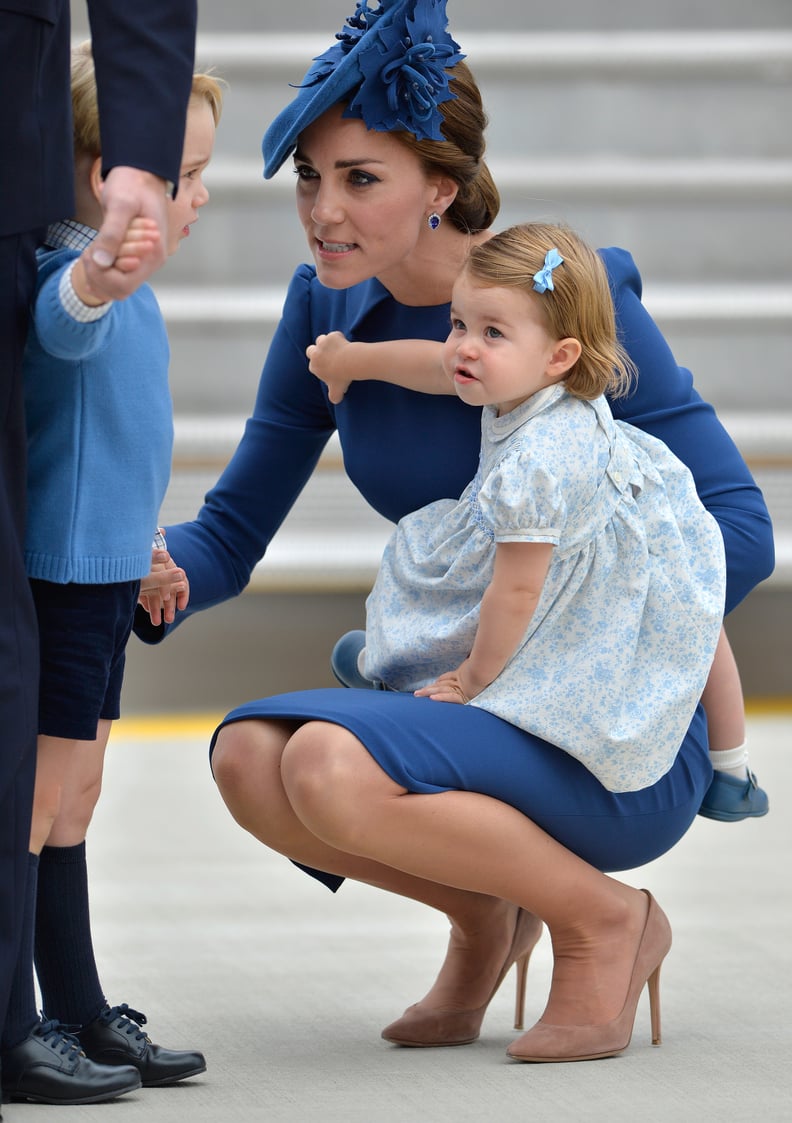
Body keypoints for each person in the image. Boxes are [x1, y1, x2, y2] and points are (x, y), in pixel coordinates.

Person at [135, 0, 774, 1057]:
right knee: (251, 755)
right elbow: (235, 527)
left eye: (360, 179)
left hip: (600, 725)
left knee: (329, 764)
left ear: (442, 185)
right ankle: (485, 913)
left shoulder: (565, 298)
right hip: (463, 697)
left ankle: (608, 921)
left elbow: (738, 528)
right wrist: (148, 573)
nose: (321, 210)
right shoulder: (327, 315)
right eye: (309, 176)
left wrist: (559, 616)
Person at [321, 219, 726, 799]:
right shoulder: (547, 390)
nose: (464, 345)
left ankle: (413, 673)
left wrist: (473, 679)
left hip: (563, 589)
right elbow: (434, 366)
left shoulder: (537, 462)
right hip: (612, 553)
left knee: (430, 565)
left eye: (492, 333)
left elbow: (516, 593)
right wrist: (353, 360)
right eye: (459, 323)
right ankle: (732, 766)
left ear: (559, 355)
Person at [0, 44, 218, 1109]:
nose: (201, 198)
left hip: (105, 569)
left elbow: (116, 444)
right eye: (183, 176)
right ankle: (23, 1017)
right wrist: (94, 274)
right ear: (110, 178)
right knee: (42, 799)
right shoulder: (70, 274)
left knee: (76, 796)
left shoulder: (136, 297)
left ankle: (79, 1003)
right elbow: (59, 331)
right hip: (63, 576)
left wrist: (149, 548)